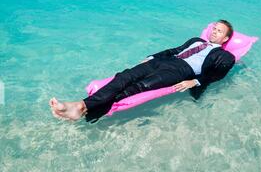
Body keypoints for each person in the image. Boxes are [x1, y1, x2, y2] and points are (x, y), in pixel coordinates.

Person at [49, 20, 235, 122]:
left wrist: (194, 82)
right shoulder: (196, 40)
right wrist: (153, 56)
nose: (213, 32)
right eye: (214, 29)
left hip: (181, 70)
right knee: (125, 76)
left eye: (219, 31)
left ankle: (84, 109)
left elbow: (218, 74)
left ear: (226, 38)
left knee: (139, 87)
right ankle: (81, 106)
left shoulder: (223, 55)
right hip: (166, 61)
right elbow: (175, 50)